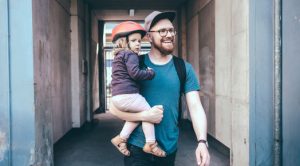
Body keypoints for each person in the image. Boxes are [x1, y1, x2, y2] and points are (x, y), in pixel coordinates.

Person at [110, 11, 210, 166]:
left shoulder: (183, 68)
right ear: (149, 37)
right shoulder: (135, 64)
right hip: (137, 149)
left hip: (168, 149)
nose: (169, 34)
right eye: (162, 31)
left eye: (171, 30)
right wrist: (145, 116)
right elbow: (114, 107)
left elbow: (195, 107)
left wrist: (202, 141)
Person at [110, 21, 166, 158]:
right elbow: (135, 73)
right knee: (149, 113)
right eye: (134, 40)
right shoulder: (130, 55)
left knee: (138, 116)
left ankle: (121, 139)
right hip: (128, 95)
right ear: (125, 41)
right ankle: (151, 144)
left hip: (118, 97)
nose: (138, 44)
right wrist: (150, 73)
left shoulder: (119, 56)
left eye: (139, 41)